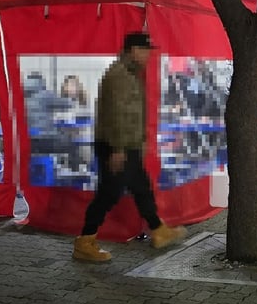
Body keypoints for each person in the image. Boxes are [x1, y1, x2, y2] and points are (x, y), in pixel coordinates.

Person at [73, 31, 186, 262]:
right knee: (108, 193)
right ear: (133, 50)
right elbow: (117, 115)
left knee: (141, 187)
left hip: (128, 146)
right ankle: (85, 241)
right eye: (144, 50)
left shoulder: (129, 74)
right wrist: (118, 149)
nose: (147, 56)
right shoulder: (120, 76)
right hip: (118, 147)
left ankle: (157, 230)